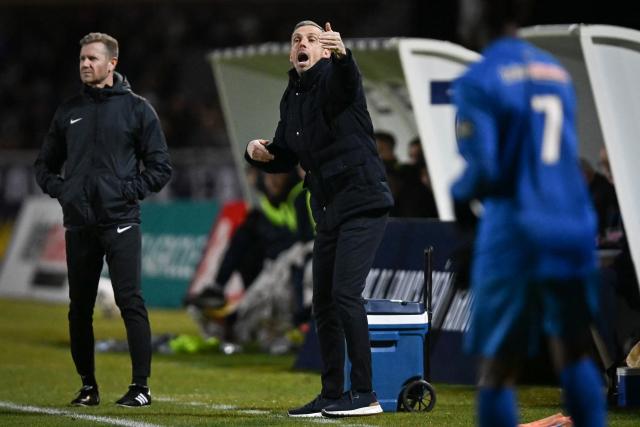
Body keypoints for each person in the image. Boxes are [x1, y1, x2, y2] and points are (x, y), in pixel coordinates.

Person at [452, 1, 606, 426]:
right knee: (574, 349)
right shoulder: (555, 72)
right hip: (573, 223)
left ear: (477, 20)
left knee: (497, 367)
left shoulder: (478, 80)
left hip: (518, 227)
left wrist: (456, 192)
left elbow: (486, 170)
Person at [245, 20, 393, 417]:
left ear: (324, 51)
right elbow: (288, 155)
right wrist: (259, 155)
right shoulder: (291, 96)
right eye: (297, 40)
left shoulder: (334, 77)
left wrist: (344, 57)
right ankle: (332, 393)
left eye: (311, 39)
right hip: (327, 209)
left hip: (362, 200)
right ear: (291, 54)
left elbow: (348, 84)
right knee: (323, 303)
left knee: (345, 295)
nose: (303, 44)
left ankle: (365, 394)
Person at [34, 33, 172, 407]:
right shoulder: (68, 111)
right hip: (79, 223)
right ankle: (88, 387)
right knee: (79, 307)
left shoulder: (137, 109)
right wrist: (62, 190)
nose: (84, 64)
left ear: (112, 63)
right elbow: (44, 165)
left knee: (131, 302)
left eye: (92, 58)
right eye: (81, 58)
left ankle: (140, 388)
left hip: (121, 220)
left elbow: (161, 168)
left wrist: (127, 191)